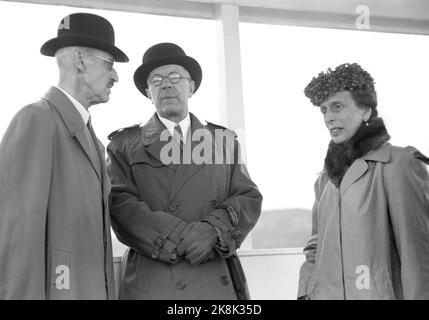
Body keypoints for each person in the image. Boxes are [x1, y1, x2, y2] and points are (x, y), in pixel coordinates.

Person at [107, 42, 262, 300]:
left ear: (190, 87)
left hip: (214, 274)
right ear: (148, 91)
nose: (166, 84)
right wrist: (180, 236)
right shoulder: (123, 145)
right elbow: (120, 206)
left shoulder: (223, 140)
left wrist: (213, 231)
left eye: (175, 77)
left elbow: (248, 197)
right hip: (155, 279)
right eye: (156, 79)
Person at [0, 13, 128, 299]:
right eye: (110, 64)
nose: (116, 76)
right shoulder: (36, 120)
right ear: (81, 61)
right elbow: (16, 240)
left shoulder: (93, 139)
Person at [298, 63, 429, 300]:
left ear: (366, 111)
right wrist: (305, 293)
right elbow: (315, 247)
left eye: (337, 107)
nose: (328, 117)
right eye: (324, 110)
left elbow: (417, 255)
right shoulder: (325, 179)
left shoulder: (398, 164)